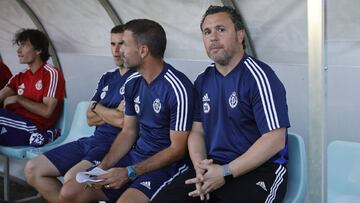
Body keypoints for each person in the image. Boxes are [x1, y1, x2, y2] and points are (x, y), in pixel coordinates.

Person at [152, 5, 290, 203]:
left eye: (221, 29)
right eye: (207, 32)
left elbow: (275, 138)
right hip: (214, 166)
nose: (213, 37)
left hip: (258, 171)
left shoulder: (259, 77)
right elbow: (197, 131)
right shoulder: (203, 80)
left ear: (240, 35)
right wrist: (200, 165)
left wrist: (225, 172)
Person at [58, 19, 194, 203]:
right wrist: (102, 168)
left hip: (165, 166)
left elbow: (177, 149)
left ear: (143, 50)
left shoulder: (178, 88)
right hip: (135, 156)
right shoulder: (132, 83)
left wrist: (130, 172)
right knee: (70, 192)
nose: (119, 51)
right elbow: (128, 131)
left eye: (125, 45)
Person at [24, 25, 135, 203]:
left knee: (71, 180)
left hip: (112, 145)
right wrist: (107, 112)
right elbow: (89, 118)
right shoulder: (107, 76)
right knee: (33, 169)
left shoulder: (138, 79)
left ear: (133, 45)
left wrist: (97, 108)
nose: (115, 50)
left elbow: (123, 121)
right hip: (92, 140)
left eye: (121, 44)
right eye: (112, 44)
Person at [0, 29, 65, 146]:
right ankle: (45, 136)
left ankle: (44, 135)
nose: (18, 51)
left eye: (24, 45)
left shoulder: (51, 73)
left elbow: (47, 111)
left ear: (38, 50)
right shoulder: (19, 77)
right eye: (19, 45)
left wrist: (18, 99)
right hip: (13, 124)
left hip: (33, 127)